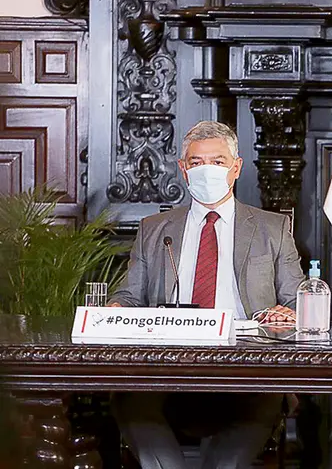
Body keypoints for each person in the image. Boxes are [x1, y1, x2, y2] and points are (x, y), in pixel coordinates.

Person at [108, 120, 305, 469]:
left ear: (236, 168)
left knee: (260, 406)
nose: (206, 170)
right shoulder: (154, 229)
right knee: (128, 399)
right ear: (183, 169)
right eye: (196, 162)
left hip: (248, 371)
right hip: (164, 369)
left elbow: (297, 302)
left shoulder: (272, 228)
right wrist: (113, 308)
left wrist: (288, 314)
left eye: (217, 161)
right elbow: (130, 296)